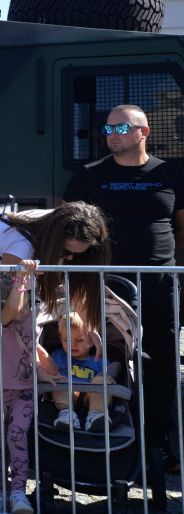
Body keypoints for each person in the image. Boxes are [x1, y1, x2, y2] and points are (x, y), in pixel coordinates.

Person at [0, 201, 111, 505]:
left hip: (13, 302)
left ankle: (12, 481)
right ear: (53, 239)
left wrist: (81, 326)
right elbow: (10, 310)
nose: (68, 260)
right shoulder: (21, 244)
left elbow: (29, 314)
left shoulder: (55, 232)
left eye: (79, 255)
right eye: (65, 252)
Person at [62, 104, 184, 468]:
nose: (111, 135)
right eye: (108, 129)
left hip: (158, 286)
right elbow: (65, 229)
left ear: (143, 132)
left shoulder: (171, 173)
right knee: (107, 359)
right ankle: (107, 436)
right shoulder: (87, 175)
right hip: (104, 287)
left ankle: (158, 441)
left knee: (160, 364)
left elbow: (182, 229)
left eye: (120, 128)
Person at [0, 264, 41, 514]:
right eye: (19, 299)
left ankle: (18, 492)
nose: (23, 307)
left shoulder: (33, 315)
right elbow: (13, 309)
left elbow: (34, 347)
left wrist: (44, 368)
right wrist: (22, 277)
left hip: (24, 390)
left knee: (16, 435)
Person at [38, 310, 118, 434]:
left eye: (80, 340)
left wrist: (110, 376)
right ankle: (67, 414)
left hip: (91, 395)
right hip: (66, 396)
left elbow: (114, 368)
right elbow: (45, 367)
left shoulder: (98, 360)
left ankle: (96, 416)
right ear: (60, 339)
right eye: (66, 340)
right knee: (58, 379)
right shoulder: (57, 357)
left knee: (101, 380)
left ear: (92, 340)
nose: (73, 345)